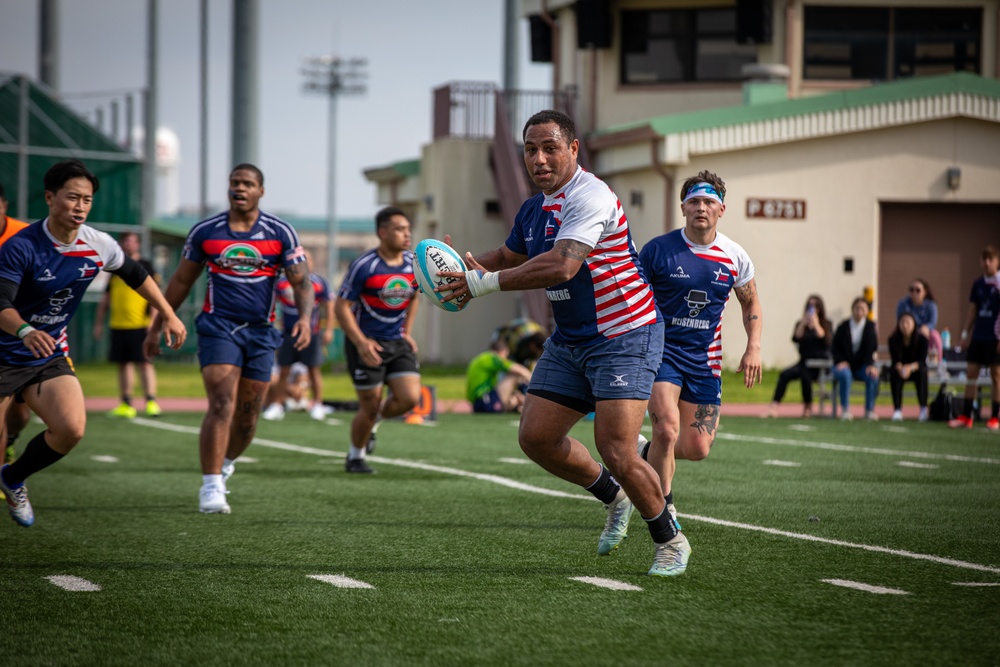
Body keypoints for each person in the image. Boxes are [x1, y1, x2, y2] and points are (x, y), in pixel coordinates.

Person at [437, 110, 684, 577]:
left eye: (550, 147)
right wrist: (453, 274)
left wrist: (481, 285)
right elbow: (508, 257)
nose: (539, 158)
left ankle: (670, 539)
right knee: (536, 438)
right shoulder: (534, 208)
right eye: (531, 149)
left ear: (574, 149)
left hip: (624, 333)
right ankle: (614, 497)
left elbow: (561, 265)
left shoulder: (590, 195)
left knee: (616, 447)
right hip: (571, 339)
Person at [0, 159, 186, 527]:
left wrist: (168, 312)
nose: (81, 206)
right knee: (14, 421)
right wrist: (24, 330)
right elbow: (1, 304)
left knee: (71, 429)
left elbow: (136, 274)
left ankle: (14, 476)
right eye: (73, 198)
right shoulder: (21, 247)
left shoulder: (98, 244)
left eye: (87, 199)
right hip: (4, 352)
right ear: (50, 198)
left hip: (47, 353)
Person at [144, 164, 313, 514]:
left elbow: (302, 283)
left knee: (248, 417)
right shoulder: (206, 231)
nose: (240, 188)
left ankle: (225, 463)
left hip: (262, 332)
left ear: (260, 191)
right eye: (235, 182)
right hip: (218, 327)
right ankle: (210, 485)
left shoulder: (280, 232)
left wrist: (307, 319)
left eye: (248, 184)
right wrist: (157, 324)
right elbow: (180, 282)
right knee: (222, 403)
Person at [638, 170, 763, 564]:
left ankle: (641, 457)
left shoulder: (735, 257)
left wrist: (753, 346)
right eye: (694, 201)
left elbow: (751, 305)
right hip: (661, 355)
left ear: (722, 209)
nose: (701, 208)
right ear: (683, 207)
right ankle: (666, 508)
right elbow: (632, 297)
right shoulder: (658, 251)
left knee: (696, 446)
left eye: (709, 202)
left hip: (705, 361)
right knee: (667, 429)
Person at [334, 206, 421, 474]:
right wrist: (361, 342)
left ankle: (373, 424)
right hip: (367, 344)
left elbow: (415, 295)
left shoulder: (413, 263)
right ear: (382, 233)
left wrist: (406, 331)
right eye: (399, 229)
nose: (407, 234)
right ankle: (355, 456)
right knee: (369, 406)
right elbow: (340, 307)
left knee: (409, 398)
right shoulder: (364, 265)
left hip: (397, 342)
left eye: (408, 229)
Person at [93, 231, 161, 419]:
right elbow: (106, 298)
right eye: (126, 241)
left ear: (138, 244)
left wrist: (154, 324)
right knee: (123, 364)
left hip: (140, 324)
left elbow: (155, 296)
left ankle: (151, 401)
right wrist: (98, 323)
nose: (129, 244)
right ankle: (126, 402)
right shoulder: (116, 267)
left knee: (145, 363)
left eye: (133, 241)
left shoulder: (146, 265)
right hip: (118, 325)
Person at [261, 253, 335, 422]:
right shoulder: (281, 283)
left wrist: (329, 329)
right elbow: (272, 305)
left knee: (313, 369)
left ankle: (317, 404)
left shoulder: (318, 282)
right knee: (283, 369)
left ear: (312, 262)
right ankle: (277, 405)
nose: (302, 264)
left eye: (307, 260)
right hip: (288, 333)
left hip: (311, 333)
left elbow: (329, 307)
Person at [950, 247, 1000, 430]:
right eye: (984, 259)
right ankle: (966, 416)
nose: (987, 263)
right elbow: (972, 309)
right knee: (971, 374)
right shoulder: (978, 284)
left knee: (996, 376)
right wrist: (965, 334)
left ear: (997, 261)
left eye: (991, 259)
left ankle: (995, 417)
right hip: (978, 336)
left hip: (995, 337)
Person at [0, 182, 31, 470]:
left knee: (19, 414)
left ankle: (10, 441)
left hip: (18, 333)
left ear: (4, 205)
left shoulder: (24, 236)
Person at [767, 295, 831, 418]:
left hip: (819, 365)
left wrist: (816, 324)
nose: (812, 309)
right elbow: (796, 338)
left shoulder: (826, 324)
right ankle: (774, 406)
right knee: (784, 374)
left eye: (815, 306)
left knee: (805, 375)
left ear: (820, 308)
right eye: (809, 306)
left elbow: (826, 340)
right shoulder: (801, 323)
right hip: (804, 362)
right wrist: (803, 323)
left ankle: (808, 406)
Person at [831, 297, 880, 421]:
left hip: (862, 365)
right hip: (844, 364)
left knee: (872, 376)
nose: (859, 311)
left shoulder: (870, 327)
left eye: (863, 309)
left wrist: (870, 364)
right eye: (857, 308)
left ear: (867, 311)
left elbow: (871, 347)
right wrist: (840, 361)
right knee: (845, 375)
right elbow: (835, 347)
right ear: (852, 309)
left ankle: (869, 410)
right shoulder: (843, 326)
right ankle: (845, 409)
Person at [465, 336, 532, 413]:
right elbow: (520, 370)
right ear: (502, 351)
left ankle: (519, 403)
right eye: (506, 355)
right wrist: (534, 382)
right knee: (515, 375)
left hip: (478, 403)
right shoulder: (491, 358)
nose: (505, 359)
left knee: (514, 399)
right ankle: (530, 402)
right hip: (485, 401)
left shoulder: (481, 359)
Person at [887, 312, 929, 422]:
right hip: (901, 370)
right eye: (902, 322)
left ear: (914, 324)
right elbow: (895, 360)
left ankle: (923, 409)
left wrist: (910, 367)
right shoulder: (893, 340)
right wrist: (901, 368)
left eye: (908, 322)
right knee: (894, 374)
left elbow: (922, 361)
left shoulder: (922, 340)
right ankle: (897, 410)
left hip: (916, 369)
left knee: (922, 373)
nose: (905, 325)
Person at [897, 278, 942, 365]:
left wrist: (926, 327)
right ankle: (899, 363)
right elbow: (900, 320)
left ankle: (938, 365)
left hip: (925, 333)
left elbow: (932, 322)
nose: (914, 293)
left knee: (935, 336)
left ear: (925, 292)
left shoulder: (931, 305)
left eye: (918, 290)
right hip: (908, 332)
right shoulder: (903, 304)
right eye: (911, 290)